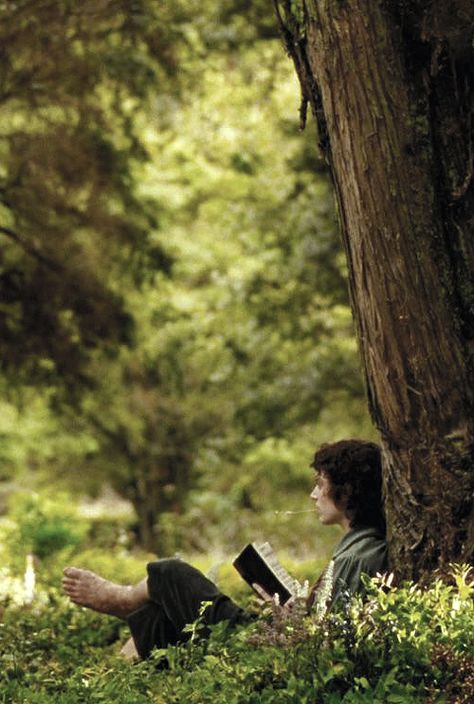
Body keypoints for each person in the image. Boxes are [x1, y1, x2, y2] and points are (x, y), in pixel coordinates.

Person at [62, 439, 388, 660]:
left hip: (267, 650)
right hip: (275, 639)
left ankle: (122, 600)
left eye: (320, 483)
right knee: (159, 619)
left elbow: (327, 639)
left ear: (347, 490)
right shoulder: (358, 546)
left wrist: (290, 619)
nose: (313, 495)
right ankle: (114, 672)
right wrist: (288, 606)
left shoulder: (362, 554)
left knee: (171, 572)